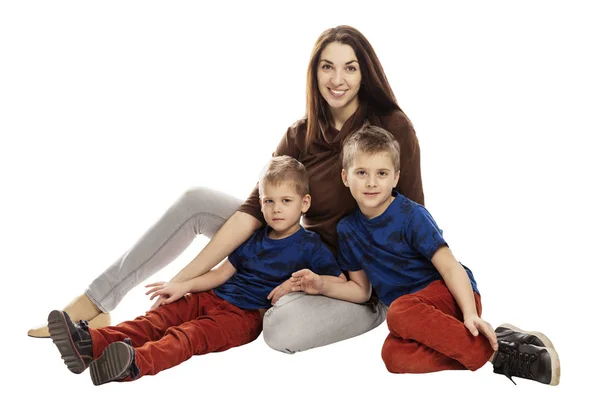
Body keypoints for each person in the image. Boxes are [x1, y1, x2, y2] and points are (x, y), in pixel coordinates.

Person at [29, 25, 424, 355]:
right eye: (327, 67)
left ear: (364, 73)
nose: (338, 80)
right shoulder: (299, 134)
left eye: (350, 68)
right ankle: (95, 304)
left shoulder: (392, 126)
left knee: (280, 331)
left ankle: (278, 308)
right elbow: (253, 210)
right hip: (291, 242)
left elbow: (413, 217)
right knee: (197, 201)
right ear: (314, 73)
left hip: (356, 281)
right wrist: (181, 284)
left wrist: (411, 297)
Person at [289, 125, 561, 385]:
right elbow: (361, 291)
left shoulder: (411, 216)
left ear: (395, 177)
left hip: (450, 295)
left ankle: (496, 354)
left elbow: (451, 268)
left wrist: (470, 314)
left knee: (398, 312)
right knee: (393, 356)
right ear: (346, 177)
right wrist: (321, 284)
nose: (372, 182)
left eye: (382, 174)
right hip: (416, 318)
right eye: (362, 173)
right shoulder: (347, 229)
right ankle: (495, 345)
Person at [47, 156, 343, 385]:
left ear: (304, 203)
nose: (276, 209)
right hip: (213, 295)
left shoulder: (311, 247)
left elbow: (337, 282)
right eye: (269, 201)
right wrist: (183, 286)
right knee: (156, 319)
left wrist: (298, 285)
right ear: (260, 203)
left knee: (187, 335)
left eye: (286, 202)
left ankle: (134, 363)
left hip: (244, 316)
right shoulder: (253, 235)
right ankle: (90, 344)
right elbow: (221, 273)